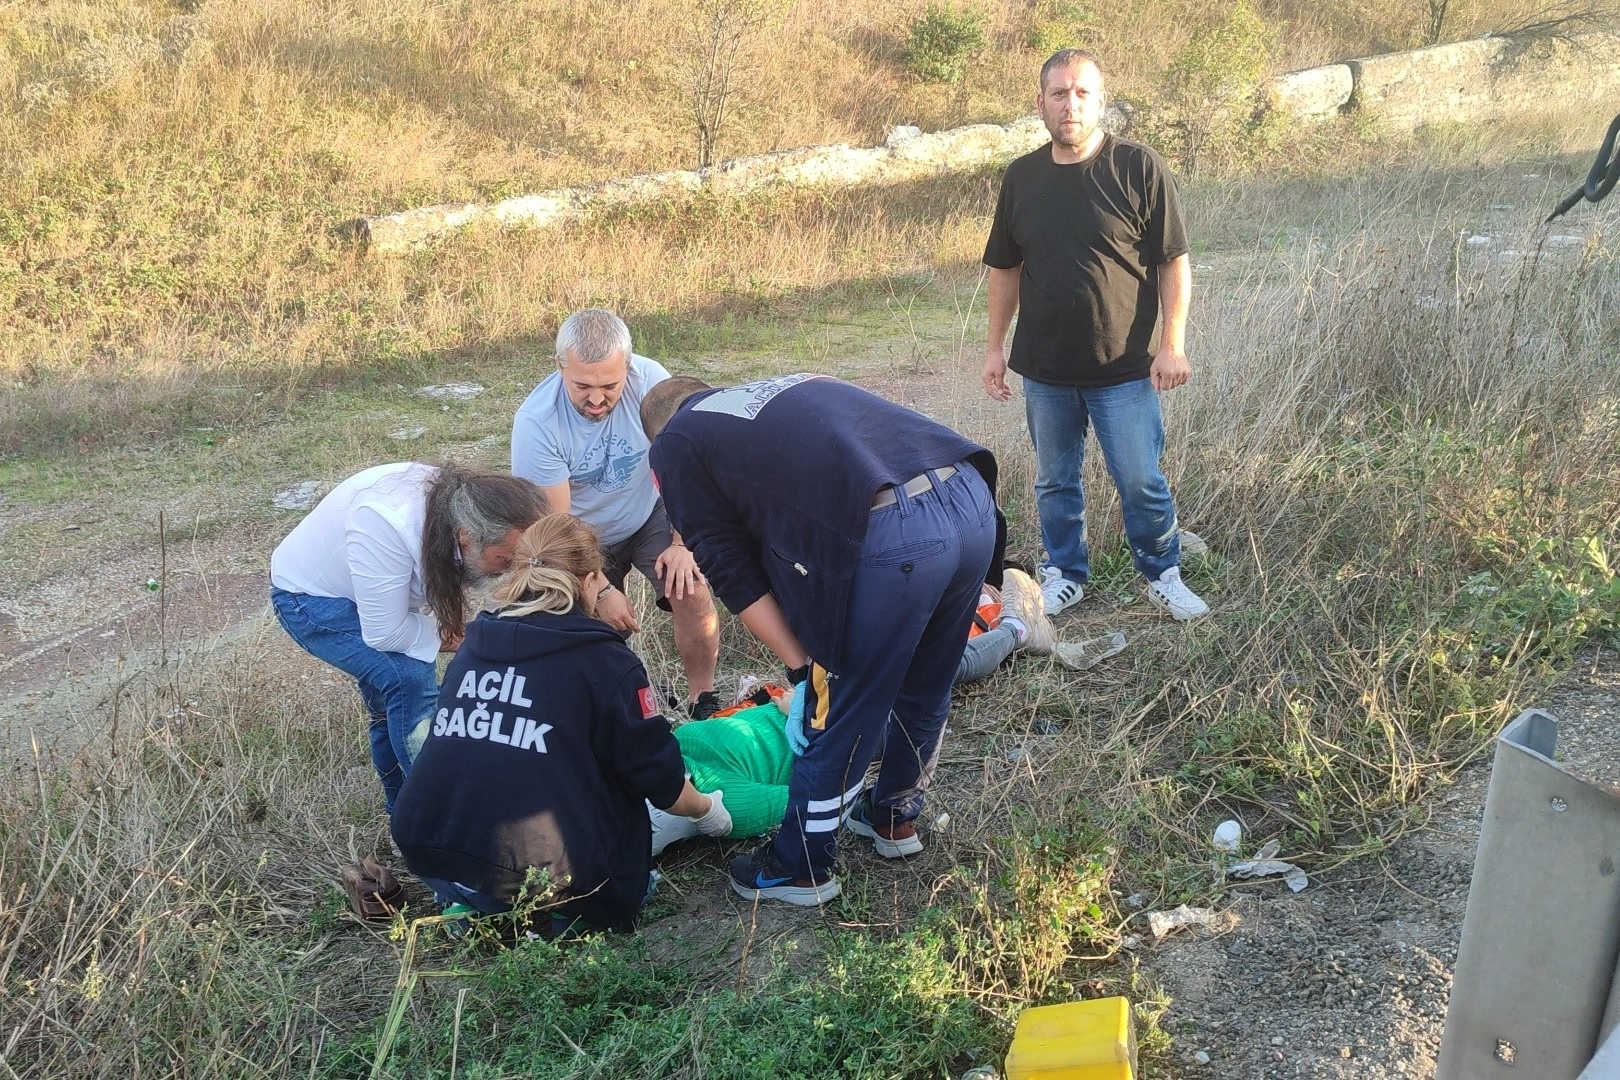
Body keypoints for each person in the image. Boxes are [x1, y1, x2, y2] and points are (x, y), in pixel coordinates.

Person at [642, 373, 1002, 906]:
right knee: (926, 683)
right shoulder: (773, 391)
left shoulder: (674, 439)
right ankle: (894, 816)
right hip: (970, 497)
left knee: (837, 706)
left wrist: (802, 668)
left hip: (898, 532)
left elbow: (728, 568)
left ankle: (800, 865)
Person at [390, 513, 733, 936]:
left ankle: (475, 900)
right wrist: (709, 812)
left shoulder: (474, 647)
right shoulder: (605, 662)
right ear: (590, 581)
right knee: (631, 878)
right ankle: (547, 915)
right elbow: (660, 780)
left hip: (430, 848)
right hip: (542, 870)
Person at [982, 48, 1210, 623]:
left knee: (1140, 480)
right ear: (1041, 103)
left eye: (1082, 92)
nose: (1071, 105)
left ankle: (1163, 575)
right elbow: (1005, 268)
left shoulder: (1139, 167)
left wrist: (1173, 344)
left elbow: (1173, 261)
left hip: (1125, 367)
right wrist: (994, 349)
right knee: (1054, 482)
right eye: (1059, 93)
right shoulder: (1021, 177)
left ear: (1101, 101)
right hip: (1046, 369)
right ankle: (1064, 574)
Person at [270, 462, 549, 813]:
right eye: (504, 559)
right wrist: (460, 637)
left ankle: (403, 810)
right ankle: (437, 813)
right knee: (408, 677)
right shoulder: (387, 525)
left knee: (392, 705)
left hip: (367, 587)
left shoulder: (461, 506)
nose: (511, 569)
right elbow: (385, 633)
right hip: (310, 599)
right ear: (467, 536)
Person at [511, 309, 723, 718]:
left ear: (629, 366)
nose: (596, 400)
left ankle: (703, 700)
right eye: (582, 386)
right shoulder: (537, 423)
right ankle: (622, 710)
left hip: (648, 512)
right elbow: (557, 528)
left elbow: (683, 463)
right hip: (580, 533)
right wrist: (603, 589)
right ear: (559, 366)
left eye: (610, 385)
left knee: (692, 589)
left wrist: (682, 543)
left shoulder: (652, 382)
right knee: (592, 625)